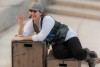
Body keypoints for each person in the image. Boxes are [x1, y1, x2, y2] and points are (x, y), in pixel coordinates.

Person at [14, 2, 98, 67]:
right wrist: (21, 26)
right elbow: (21, 35)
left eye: (35, 11)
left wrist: (21, 38)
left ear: (40, 12)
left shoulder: (47, 19)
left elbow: (40, 37)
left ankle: (89, 58)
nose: (32, 13)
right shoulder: (31, 23)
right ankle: (84, 51)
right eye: (30, 11)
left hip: (67, 35)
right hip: (57, 42)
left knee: (78, 54)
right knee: (59, 54)